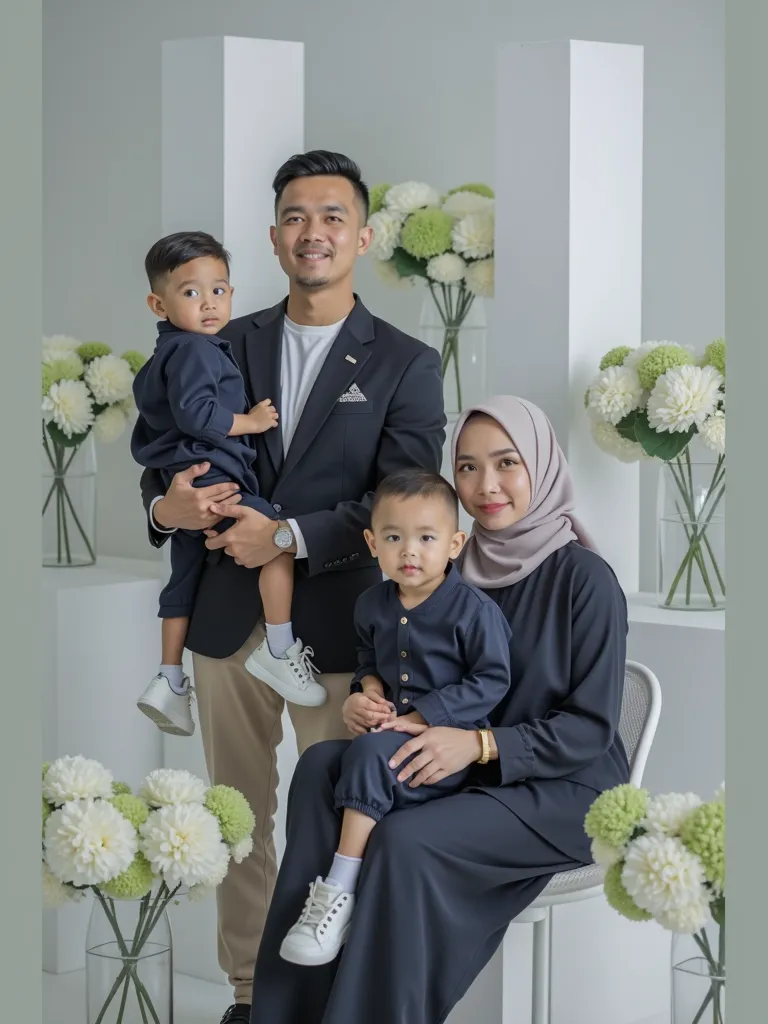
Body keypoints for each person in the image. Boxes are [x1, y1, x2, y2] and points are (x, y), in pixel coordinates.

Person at [137, 151, 446, 1024]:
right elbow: (164, 457)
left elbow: (406, 499)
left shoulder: (405, 362)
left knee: (342, 816)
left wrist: (286, 534)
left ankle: (333, 998)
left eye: (333, 216)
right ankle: (250, 996)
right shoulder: (218, 334)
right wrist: (169, 507)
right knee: (237, 823)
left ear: (365, 236)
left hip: (343, 630)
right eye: (297, 217)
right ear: (274, 237)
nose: (315, 232)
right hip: (227, 623)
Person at [247, 394, 631, 1024]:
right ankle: (291, 1008)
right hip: (454, 764)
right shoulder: (444, 561)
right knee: (321, 768)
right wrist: (363, 701)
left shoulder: (584, 579)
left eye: (507, 463)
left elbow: (590, 727)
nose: (487, 486)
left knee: (404, 840)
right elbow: (406, 670)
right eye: (469, 467)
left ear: (541, 464)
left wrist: (479, 744)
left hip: (564, 786)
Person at [279, 467, 512, 967]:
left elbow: (492, 680)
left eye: (426, 538)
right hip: (388, 739)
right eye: (394, 537)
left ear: (454, 544)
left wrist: (427, 716)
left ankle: (339, 890)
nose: (410, 551)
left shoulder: (474, 611)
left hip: (444, 756)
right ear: (371, 542)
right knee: (320, 758)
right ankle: (304, 899)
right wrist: (367, 691)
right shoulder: (371, 605)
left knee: (366, 754)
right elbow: (369, 660)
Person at [132, 231, 325, 739]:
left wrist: (172, 509)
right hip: (215, 480)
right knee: (277, 543)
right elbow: (198, 416)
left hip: (189, 482)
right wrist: (251, 422)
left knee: (181, 583)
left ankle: (169, 679)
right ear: (159, 303)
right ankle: (280, 649)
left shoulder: (161, 359)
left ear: (233, 293)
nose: (210, 302)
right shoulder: (197, 351)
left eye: (218, 290)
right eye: (191, 293)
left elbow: (157, 431)